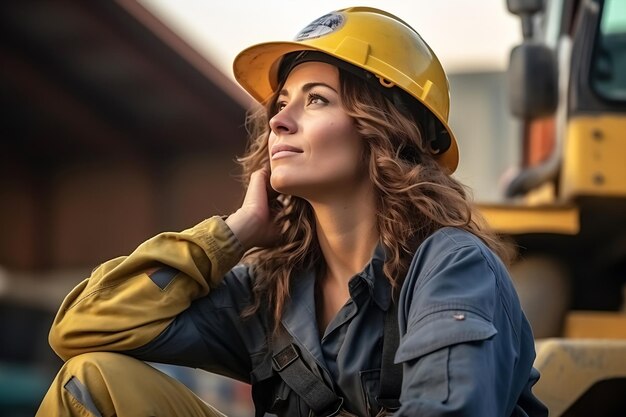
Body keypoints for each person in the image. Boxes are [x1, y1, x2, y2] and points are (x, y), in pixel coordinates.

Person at [37, 6, 548, 417]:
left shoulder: (452, 268)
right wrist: (232, 236)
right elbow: (81, 329)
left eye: (317, 100)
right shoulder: (270, 291)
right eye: (281, 102)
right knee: (93, 381)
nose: (280, 120)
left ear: (384, 131)